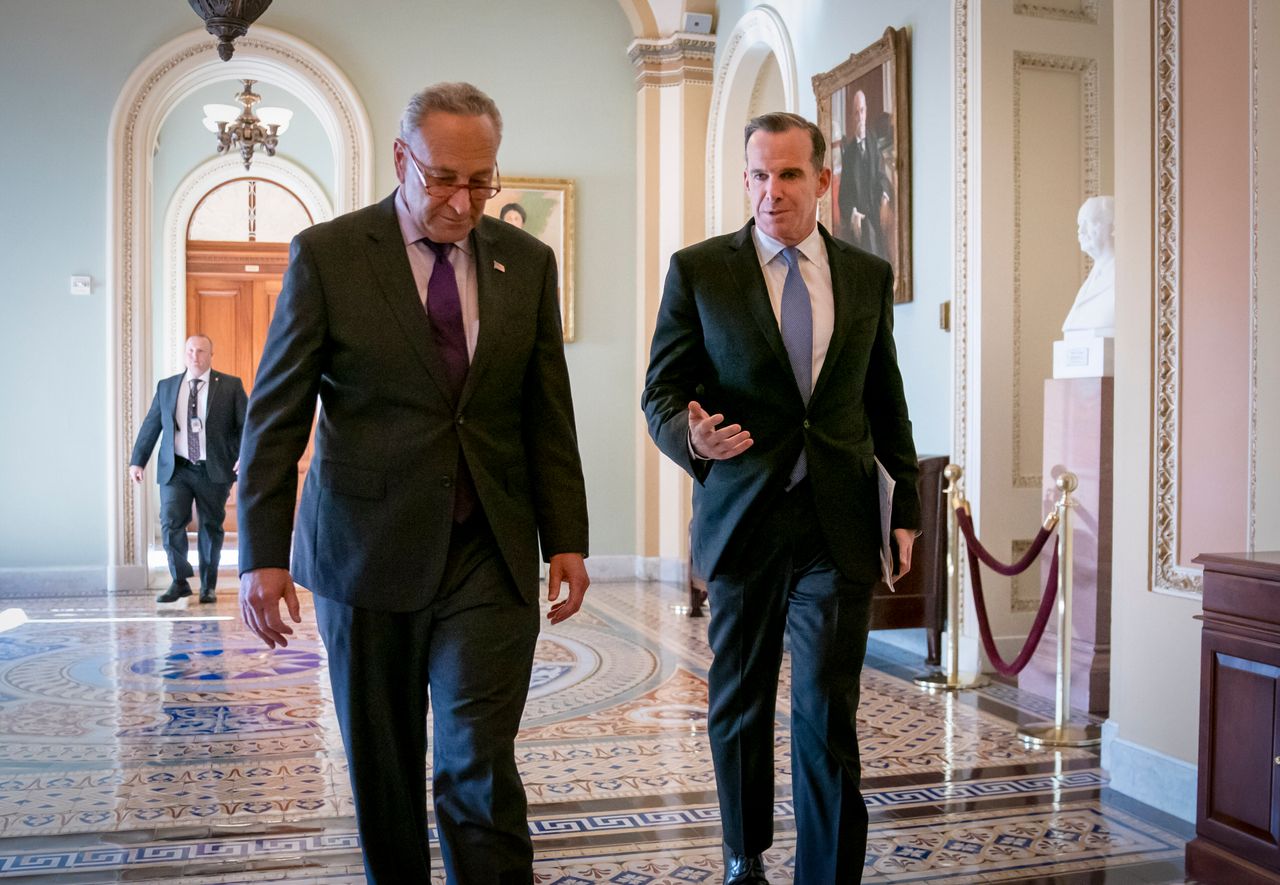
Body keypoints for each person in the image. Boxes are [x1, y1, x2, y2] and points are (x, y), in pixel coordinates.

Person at [235, 82, 590, 884]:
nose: (465, 201)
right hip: (366, 550)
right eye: (444, 179)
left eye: (482, 181)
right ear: (402, 160)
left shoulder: (525, 262)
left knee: (478, 761)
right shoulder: (328, 255)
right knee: (384, 772)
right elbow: (276, 414)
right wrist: (263, 553)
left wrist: (566, 535)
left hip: (488, 552)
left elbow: (546, 411)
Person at [642, 111, 920, 884]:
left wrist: (905, 512)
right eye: (758, 175)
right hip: (744, 520)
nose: (772, 192)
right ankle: (744, 855)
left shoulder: (865, 276)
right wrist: (691, 440)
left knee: (827, 711)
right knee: (740, 702)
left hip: (837, 524)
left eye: (789, 174)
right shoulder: (700, 270)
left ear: (823, 182)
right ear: (745, 181)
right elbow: (660, 391)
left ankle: (828, 871)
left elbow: (884, 399)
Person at [129, 334, 246, 604]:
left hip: (212, 469)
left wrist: (244, 456)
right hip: (176, 468)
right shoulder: (168, 386)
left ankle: (208, 585)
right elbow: (151, 425)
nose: (196, 356)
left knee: (210, 526)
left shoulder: (230, 386)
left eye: (202, 351)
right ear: (185, 354)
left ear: (210, 355)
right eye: (191, 351)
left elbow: (246, 425)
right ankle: (179, 581)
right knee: (171, 522)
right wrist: (138, 460)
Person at [837, 89, 890, 258]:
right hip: (860, 216)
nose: (860, 116)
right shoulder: (849, 153)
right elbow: (844, 194)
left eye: (862, 111)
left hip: (877, 210)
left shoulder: (874, 143)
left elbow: (882, 175)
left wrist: (884, 198)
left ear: (866, 112)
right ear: (852, 117)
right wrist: (853, 214)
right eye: (856, 113)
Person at [1062, 195, 1116, 337]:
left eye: (1090, 222)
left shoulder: (1126, 275)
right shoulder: (1093, 277)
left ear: (1113, 226)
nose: (1081, 231)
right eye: (1080, 224)